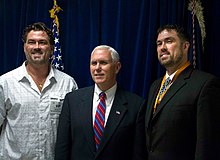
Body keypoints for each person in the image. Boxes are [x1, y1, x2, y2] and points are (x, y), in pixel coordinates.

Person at [0, 22, 78, 159]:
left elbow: (75, 132)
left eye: (42, 42)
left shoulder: (68, 84)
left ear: (52, 48)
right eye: (31, 42)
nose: (37, 47)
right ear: (25, 47)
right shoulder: (5, 83)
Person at [55, 45, 147, 160]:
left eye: (103, 63)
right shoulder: (72, 101)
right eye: (94, 63)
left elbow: (138, 154)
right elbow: (62, 148)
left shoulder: (136, 105)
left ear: (117, 67)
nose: (97, 68)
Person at [145, 24, 220, 160]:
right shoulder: (155, 86)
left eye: (169, 41)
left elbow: (207, 144)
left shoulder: (205, 84)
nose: (162, 47)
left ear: (185, 46)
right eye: (159, 43)